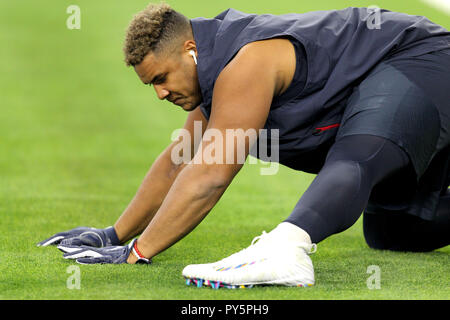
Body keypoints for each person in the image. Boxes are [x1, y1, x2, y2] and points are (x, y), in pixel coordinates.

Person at [38, 3, 450, 289]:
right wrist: (113, 235)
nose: (160, 94)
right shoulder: (214, 81)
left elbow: (212, 174)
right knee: (398, 228)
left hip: (421, 59)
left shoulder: (245, 63)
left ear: (190, 51)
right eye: (151, 86)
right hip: (395, 85)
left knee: (356, 154)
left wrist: (137, 253)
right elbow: (177, 163)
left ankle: (288, 248)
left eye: (161, 78)